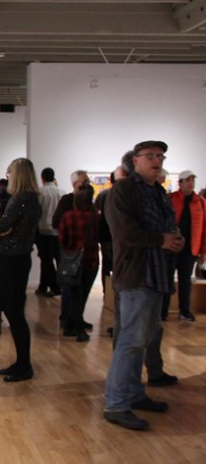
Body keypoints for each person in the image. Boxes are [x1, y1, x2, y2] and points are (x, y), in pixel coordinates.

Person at [103, 140, 183, 431]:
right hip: (136, 276)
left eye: (160, 156)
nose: (156, 160)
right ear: (134, 161)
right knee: (130, 341)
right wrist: (162, 240)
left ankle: (134, 394)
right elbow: (125, 232)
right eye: (150, 156)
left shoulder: (157, 192)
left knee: (142, 340)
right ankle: (115, 403)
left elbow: (166, 227)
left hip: (156, 276)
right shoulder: (123, 191)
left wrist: (175, 239)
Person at [0, 158, 42, 383]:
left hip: (13, 260)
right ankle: (21, 362)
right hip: (17, 258)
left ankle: (24, 365)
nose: (7, 175)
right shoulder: (31, 199)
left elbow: (3, 226)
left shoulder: (20, 199)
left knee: (14, 312)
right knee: (14, 311)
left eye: (9, 171)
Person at [161, 170, 205, 321]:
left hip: (190, 249)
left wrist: (203, 251)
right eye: (187, 180)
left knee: (186, 280)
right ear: (180, 183)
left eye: (192, 180)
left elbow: (204, 227)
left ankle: (184, 310)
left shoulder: (200, 202)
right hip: (172, 247)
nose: (191, 183)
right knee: (167, 279)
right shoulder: (171, 198)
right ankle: (163, 311)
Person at [52, 170, 93, 330]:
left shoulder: (89, 204)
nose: (87, 183)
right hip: (71, 254)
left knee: (82, 289)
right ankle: (67, 319)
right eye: (85, 181)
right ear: (75, 184)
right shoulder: (67, 200)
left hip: (85, 255)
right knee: (70, 288)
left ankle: (77, 319)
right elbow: (56, 222)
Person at [59, 186, 99, 342]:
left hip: (73, 262)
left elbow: (62, 240)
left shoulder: (67, 216)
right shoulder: (95, 217)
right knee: (82, 296)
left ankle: (71, 326)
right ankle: (77, 327)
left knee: (75, 294)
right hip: (91, 260)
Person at [95, 164, 128, 293]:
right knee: (118, 262)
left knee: (107, 264)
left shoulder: (103, 195)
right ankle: (115, 291)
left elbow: (96, 210)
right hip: (116, 235)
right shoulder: (123, 195)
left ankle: (107, 292)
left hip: (106, 235)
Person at [36, 167, 65, 297]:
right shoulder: (62, 192)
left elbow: (37, 213)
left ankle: (55, 287)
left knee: (46, 261)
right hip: (58, 232)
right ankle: (44, 287)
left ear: (42, 178)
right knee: (57, 260)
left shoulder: (39, 192)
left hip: (43, 231)